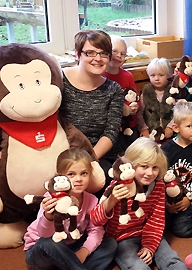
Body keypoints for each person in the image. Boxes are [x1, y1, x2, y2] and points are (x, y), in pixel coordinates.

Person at [90, 137, 192, 270]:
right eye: (144, 167)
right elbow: (96, 220)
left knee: (172, 259)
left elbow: (156, 218)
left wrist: (149, 245)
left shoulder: (159, 185)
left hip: (147, 232)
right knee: (139, 269)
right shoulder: (117, 185)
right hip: (121, 238)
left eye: (154, 168)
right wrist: (111, 201)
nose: (149, 173)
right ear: (131, 165)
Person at [24, 148, 118, 270]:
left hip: (71, 248)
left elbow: (96, 231)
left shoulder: (91, 200)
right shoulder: (51, 198)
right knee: (50, 241)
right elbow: (44, 234)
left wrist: (84, 251)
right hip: (41, 253)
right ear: (59, 177)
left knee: (111, 244)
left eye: (84, 173)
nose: (78, 179)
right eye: (71, 174)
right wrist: (49, 216)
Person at [59, 30, 124, 189]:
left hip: (98, 156)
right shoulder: (60, 81)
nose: (98, 58)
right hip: (63, 154)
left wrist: (88, 161)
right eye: (90, 53)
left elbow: (111, 132)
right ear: (77, 54)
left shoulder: (114, 90)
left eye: (103, 53)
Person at [162, 102, 192, 238]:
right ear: (176, 128)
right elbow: (160, 178)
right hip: (170, 200)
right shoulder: (166, 150)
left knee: (181, 230)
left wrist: (190, 199)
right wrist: (166, 201)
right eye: (189, 126)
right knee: (160, 225)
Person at [103, 35, 140, 151]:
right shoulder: (100, 76)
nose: (118, 56)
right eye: (115, 51)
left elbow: (135, 98)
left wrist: (134, 107)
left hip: (128, 126)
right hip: (109, 127)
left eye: (122, 54)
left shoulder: (127, 76)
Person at [136, 58, 175, 140]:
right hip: (151, 132)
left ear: (168, 75)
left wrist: (170, 126)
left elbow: (179, 111)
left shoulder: (173, 91)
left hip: (171, 132)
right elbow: (139, 113)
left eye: (161, 75)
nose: (156, 78)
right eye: (152, 75)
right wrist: (143, 128)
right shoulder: (146, 92)